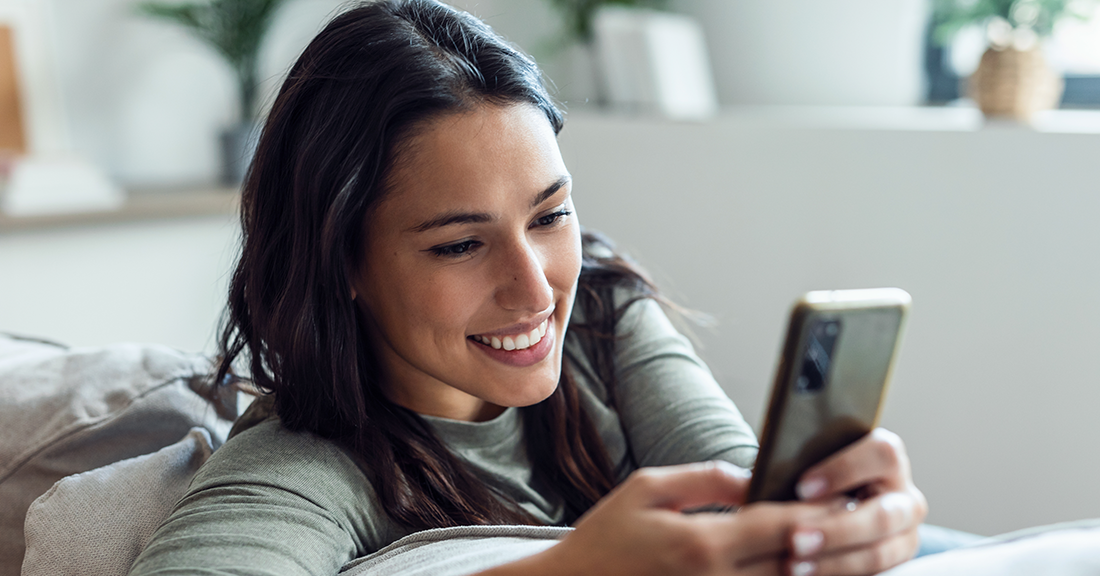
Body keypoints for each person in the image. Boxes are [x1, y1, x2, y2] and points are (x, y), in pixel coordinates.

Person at [129, 1, 927, 574]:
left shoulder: (605, 319)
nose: (535, 287)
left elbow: (731, 476)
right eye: (462, 244)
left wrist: (833, 529)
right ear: (341, 263)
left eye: (550, 216)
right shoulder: (305, 466)